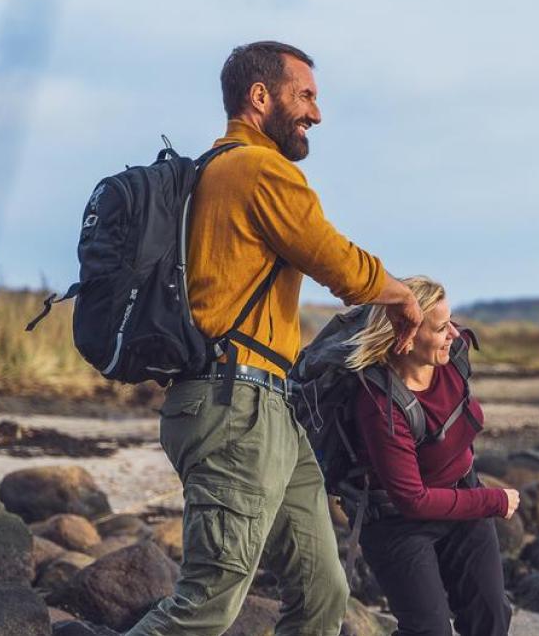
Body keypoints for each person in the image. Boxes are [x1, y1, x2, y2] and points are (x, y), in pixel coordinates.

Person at [127, 41, 423, 636]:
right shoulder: (256, 169)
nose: (317, 113)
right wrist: (403, 297)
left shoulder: (215, 169)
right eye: (306, 95)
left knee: (323, 592)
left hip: (269, 409)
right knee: (207, 605)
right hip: (233, 407)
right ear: (259, 97)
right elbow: (336, 261)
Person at [344, 276, 519, 636]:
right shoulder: (380, 404)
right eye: (441, 328)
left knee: (492, 616)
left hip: (461, 493)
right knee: (429, 631)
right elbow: (413, 501)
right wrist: (494, 500)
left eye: (451, 322)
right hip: (397, 521)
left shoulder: (453, 358)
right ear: (406, 334)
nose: (454, 334)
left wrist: (476, 494)